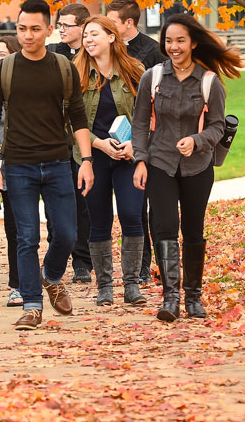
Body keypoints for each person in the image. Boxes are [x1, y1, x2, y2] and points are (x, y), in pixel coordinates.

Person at [0, 0, 94, 331]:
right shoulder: (4, 69)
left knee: (67, 234)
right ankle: (32, 306)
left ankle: (52, 276)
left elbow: (78, 117)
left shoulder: (63, 67)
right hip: (18, 166)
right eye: (21, 29)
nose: (28, 35)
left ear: (48, 29)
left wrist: (86, 160)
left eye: (35, 29)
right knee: (26, 237)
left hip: (59, 163)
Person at [131, 13, 243, 322]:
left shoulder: (209, 82)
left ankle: (194, 297)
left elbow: (218, 126)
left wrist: (197, 139)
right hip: (160, 164)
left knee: (193, 229)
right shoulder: (151, 78)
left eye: (180, 40)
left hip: (198, 166)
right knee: (163, 227)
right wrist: (140, 160)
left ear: (193, 42)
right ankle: (171, 298)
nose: (174, 46)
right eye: (169, 41)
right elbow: (140, 122)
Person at [72, 16, 148, 306]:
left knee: (131, 214)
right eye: (86, 36)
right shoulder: (75, 73)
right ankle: (104, 287)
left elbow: (148, 115)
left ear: (112, 37)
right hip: (93, 156)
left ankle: (131, 286)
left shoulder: (135, 70)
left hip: (128, 156)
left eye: (95, 34)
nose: (89, 40)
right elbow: (69, 122)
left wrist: (136, 147)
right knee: (98, 220)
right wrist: (98, 144)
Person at [106, 0, 165, 284]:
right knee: (133, 208)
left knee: (148, 207)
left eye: (113, 21)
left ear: (128, 23)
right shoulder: (109, 49)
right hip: (115, 139)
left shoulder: (152, 52)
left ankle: (148, 265)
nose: (108, 26)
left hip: (147, 139)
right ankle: (138, 268)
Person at [47, 2, 95, 283]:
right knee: (54, 205)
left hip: (82, 140)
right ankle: (55, 258)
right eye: (60, 25)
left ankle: (82, 262)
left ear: (83, 26)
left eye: (67, 25)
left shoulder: (91, 56)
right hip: (54, 138)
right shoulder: (53, 53)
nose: (62, 30)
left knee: (82, 203)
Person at [0, 35, 24, 306]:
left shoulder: (23, 84)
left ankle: (18, 283)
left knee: (16, 226)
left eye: (2, 54)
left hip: (18, 159)